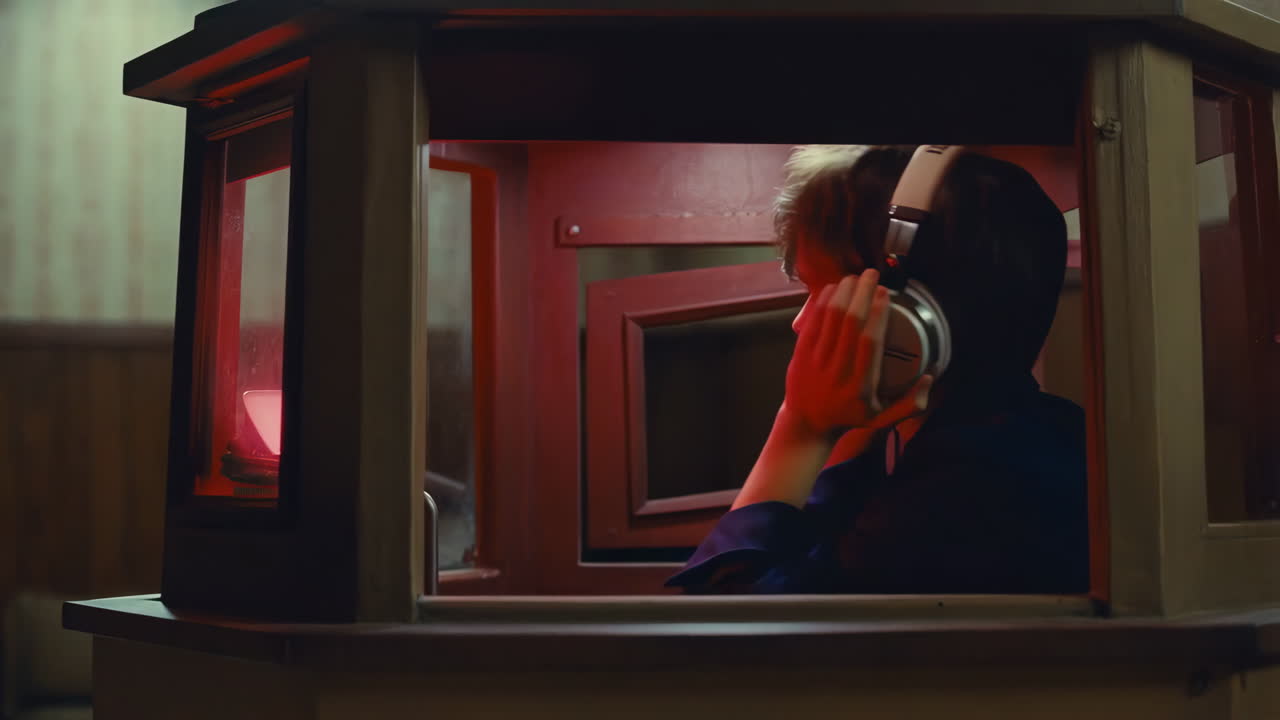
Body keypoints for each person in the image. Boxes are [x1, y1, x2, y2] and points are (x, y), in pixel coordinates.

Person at [666, 145, 1089, 594]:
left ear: (903, 322)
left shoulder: (980, 488)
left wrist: (800, 427)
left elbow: (727, 621)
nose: (801, 323)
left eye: (827, 297)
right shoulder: (919, 441)